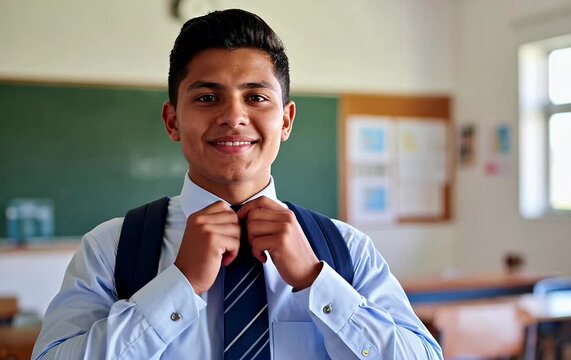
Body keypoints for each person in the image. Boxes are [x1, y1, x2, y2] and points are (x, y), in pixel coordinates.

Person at [32, 9, 442, 360]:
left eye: (256, 97)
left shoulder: (346, 250)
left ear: (285, 121)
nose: (233, 117)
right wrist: (179, 285)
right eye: (207, 98)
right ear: (173, 120)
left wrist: (317, 283)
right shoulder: (112, 249)